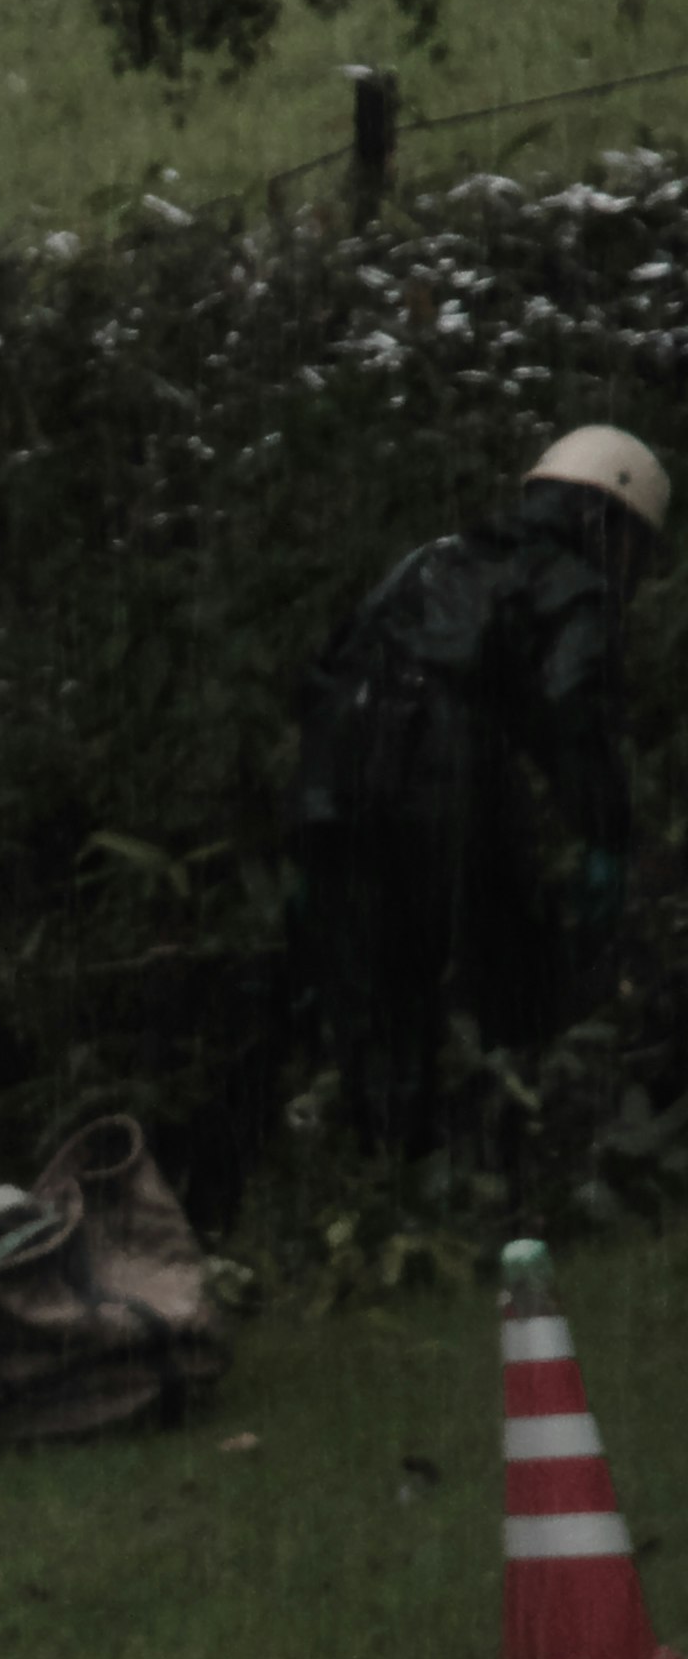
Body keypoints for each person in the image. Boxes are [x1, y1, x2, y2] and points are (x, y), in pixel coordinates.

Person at [287, 424, 666, 1156]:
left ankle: (386, 1170)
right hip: (440, 784)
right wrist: (605, 834)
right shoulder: (571, 586)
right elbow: (571, 706)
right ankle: (497, 1154)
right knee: (484, 975)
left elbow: (327, 682)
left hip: (347, 788)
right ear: (610, 523)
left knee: (379, 995)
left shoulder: (434, 561)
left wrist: (310, 832)